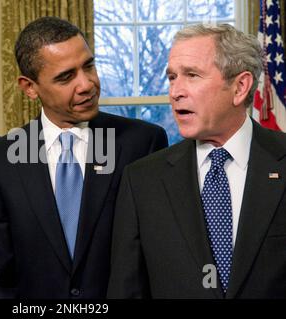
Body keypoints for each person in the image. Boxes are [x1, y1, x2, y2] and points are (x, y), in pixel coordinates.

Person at [0, 16, 167, 299]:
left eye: (88, 66)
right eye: (66, 77)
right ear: (29, 87)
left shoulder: (142, 144)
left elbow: (159, 260)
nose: (86, 84)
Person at [107, 23, 286, 299]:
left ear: (240, 87)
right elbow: (127, 290)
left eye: (191, 75)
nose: (175, 91)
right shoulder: (142, 180)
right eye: (171, 78)